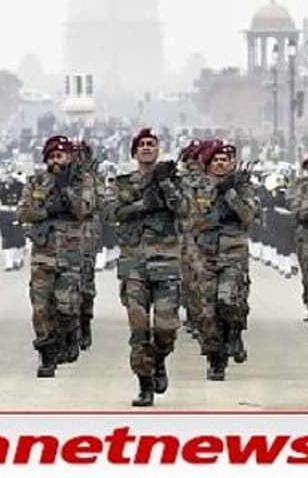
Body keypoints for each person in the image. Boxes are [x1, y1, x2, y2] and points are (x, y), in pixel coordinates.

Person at [107, 128, 188, 407]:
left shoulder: (173, 180)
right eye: (141, 144)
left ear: (158, 149)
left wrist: (165, 185)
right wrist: (144, 205)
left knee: (166, 327)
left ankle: (160, 359)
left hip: (165, 262)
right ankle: (144, 384)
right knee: (139, 329)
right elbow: (111, 212)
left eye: (151, 144)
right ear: (134, 152)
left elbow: (185, 210)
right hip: (134, 266)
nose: (146, 148)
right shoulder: (122, 183)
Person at [17, 135, 96, 377]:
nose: (55, 160)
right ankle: (46, 355)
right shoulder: (36, 182)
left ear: (70, 156)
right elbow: (23, 212)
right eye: (51, 156)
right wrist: (47, 210)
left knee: (67, 305)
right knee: (41, 308)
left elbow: (84, 210)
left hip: (71, 254)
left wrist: (65, 189)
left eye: (60, 155)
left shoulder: (83, 181)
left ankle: (71, 333)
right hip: (43, 253)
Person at [183, 141, 258, 381]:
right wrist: (215, 210)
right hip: (204, 256)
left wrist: (231, 194)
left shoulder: (242, 187)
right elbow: (191, 221)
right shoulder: (197, 188)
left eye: (224, 160)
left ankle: (234, 333)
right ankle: (216, 359)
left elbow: (248, 216)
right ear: (207, 164)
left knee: (228, 302)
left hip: (233, 254)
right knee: (207, 313)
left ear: (231, 164)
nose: (220, 163)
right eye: (215, 160)